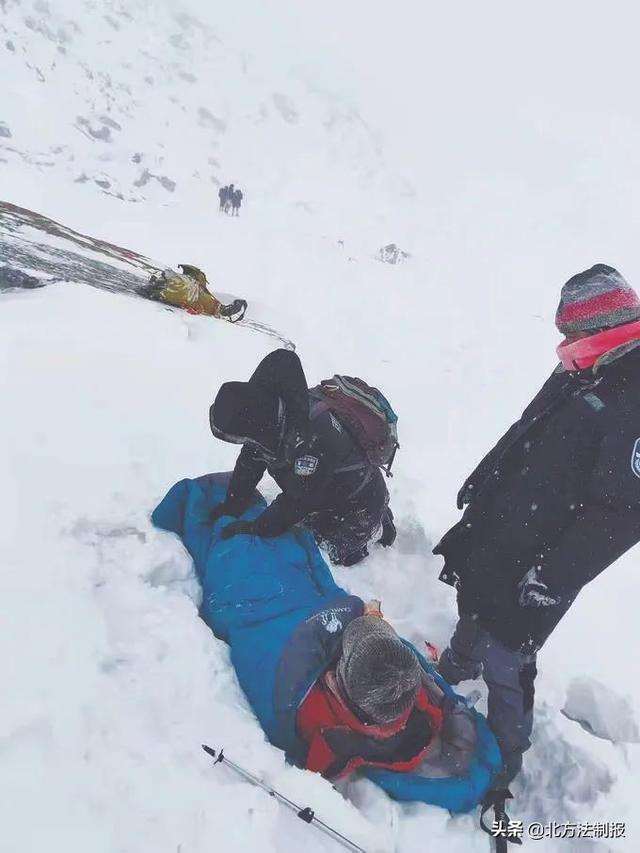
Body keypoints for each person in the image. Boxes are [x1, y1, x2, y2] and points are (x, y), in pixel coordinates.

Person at [151, 471, 501, 800]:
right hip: (306, 601)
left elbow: (263, 650)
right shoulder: (411, 698)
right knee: (275, 545)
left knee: (236, 545)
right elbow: (403, 662)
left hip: (264, 609)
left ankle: (220, 515)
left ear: (344, 680)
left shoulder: (317, 720)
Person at [434, 263, 640, 794]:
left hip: (546, 557)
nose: (564, 342)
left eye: (571, 331)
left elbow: (623, 512)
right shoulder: (584, 364)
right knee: (474, 597)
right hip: (505, 523)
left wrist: (553, 574)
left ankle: (505, 755)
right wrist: (480, 483)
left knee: (509, 657)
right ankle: (457, 664)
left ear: (604, 325)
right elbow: (526, 428)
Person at [208, 349, 396, 565]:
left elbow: (296, 502)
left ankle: (378, 526)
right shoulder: (268, 414)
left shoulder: (311, 441)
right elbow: (250, 461)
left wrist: (255, 529)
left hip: (358, 502)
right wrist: (232, 506)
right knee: (304, 523)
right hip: (323, 486)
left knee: (331, 554)